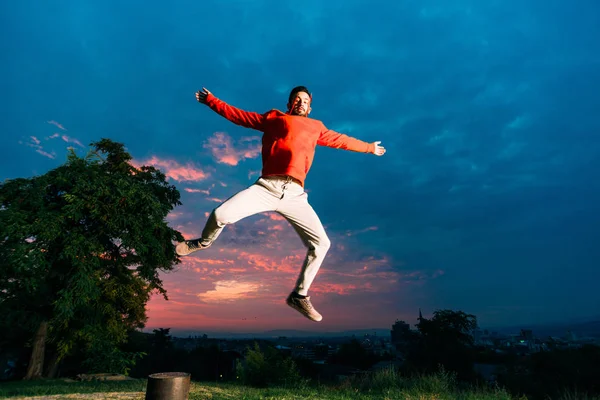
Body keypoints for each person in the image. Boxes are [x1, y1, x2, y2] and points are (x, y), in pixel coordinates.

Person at [176, 86, 386, 322]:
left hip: (295, 194)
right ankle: (203, 242)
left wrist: (369, 147)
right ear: (290, 104)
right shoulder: (274, 118)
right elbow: (240, 116)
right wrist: (212, 101)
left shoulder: (316, 127)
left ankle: (300, 295)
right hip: (267, 187)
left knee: (322, 244)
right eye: (296, 99)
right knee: (220, 214)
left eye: (305, 100)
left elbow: (341, 140)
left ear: (310, 107)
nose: (300, 102)